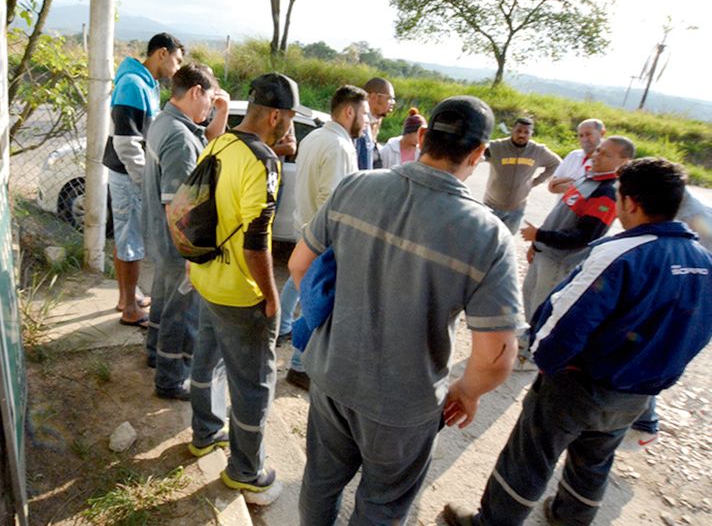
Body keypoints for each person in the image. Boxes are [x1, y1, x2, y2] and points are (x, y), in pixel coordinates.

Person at [289, 96, 523, 524]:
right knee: (381, 506)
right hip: (405, 407)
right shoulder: (487, 235)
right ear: (477, 155)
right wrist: (466, 392)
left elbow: (299, 265)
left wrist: (335, 324)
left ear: (422, 137)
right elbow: (497, 357)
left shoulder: (355, 187)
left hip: (332, 377)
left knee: (320, 483)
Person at [443, 157, 712, 526]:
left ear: (631, 203)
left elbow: (564, 321)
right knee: (594, 462)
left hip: (578, 387)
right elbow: (699, 333)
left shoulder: (618, 253)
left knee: (530, 458)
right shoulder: (703, 261)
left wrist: (546, 362)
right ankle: (568, 518)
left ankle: (491, 523)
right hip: (637, 395)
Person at [187, 72, 311, 506]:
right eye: (290, 118)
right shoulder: (262, 162)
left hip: (205, 277)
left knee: (207, 360)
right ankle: (246, 471)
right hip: (240, 292)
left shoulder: (219, 142)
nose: (290, 126)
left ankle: (204, 435)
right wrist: (272, 297)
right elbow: (255, 242)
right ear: (275, 115)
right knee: (255, 383)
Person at [141, 63, 228, 400]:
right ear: (195, 92)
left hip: (161, 239)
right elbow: (177, 207)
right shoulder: (179, 137)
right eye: (209, 100)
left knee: (163, 303)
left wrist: (219, 111)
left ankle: (154, 354)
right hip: (177, 242)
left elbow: (206, 139)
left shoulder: (166, 122)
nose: (209, 107)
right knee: (182, 314)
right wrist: (193, 256)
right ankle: (171, 379)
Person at [278, 85, 370, 391]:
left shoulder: (316, 136)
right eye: (365, 114)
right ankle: (299, 365)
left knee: (298, 282)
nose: (367, 121)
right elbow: (333, 201)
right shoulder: (338, 146)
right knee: (316, 302)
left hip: (304, 227)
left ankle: (279, 327)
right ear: (349, 111)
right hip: (324, 238)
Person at [517, 136, 634, 370]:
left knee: (545, 307)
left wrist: (540, 236)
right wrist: (537, 245)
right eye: (598, 151)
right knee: (530, 297)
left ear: (624, 162)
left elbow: (583, 237)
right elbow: (560, 216)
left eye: (606, 154)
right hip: (545, 253)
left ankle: (532, 357)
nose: (596, 156)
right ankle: (527, 341)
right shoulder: (587, 178)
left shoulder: (607, 193)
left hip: (560, 260)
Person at [621, 187, 712, 450]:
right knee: (641, 357)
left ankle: (646, 424)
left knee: (648, 358)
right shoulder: (673, 211)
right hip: (670, 296)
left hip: (682, 302)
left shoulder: (697, 219)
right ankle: (642, 422)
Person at [103, 33, 184, 327]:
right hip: (127, 175)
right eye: (176, 60)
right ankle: (129, 310)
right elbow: (126, 143)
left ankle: (127, 299)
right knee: (130, 241)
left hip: (128, 174)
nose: (177, 68)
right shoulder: (133, 85)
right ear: (161, 53)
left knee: (127, 237)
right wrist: (143, 180)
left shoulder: (146, 84)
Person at [482, 116, 560, 233]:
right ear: (512, 130)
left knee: (506, 242)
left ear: (531, 134)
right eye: (519, 131)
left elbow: (556, 163)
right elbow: (475, 154)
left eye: (526, 132)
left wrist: (536, 181)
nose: (522, 135)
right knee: (484, 240)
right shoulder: (496, 147)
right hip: (491, 206)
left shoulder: (537, 151)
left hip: (516, 209)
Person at [548, 118, 605, 196]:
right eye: (581, 135)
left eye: (588, 134)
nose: (584, 139)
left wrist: (566, 185)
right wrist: (576, 187)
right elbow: (551, 187)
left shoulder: (608, 162)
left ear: (602, 133)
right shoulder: (573, 155)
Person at [357, 77, 395, 169]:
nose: (393, 103)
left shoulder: (375, 122)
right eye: (390, 98)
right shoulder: (356, 122)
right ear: (374, 97)